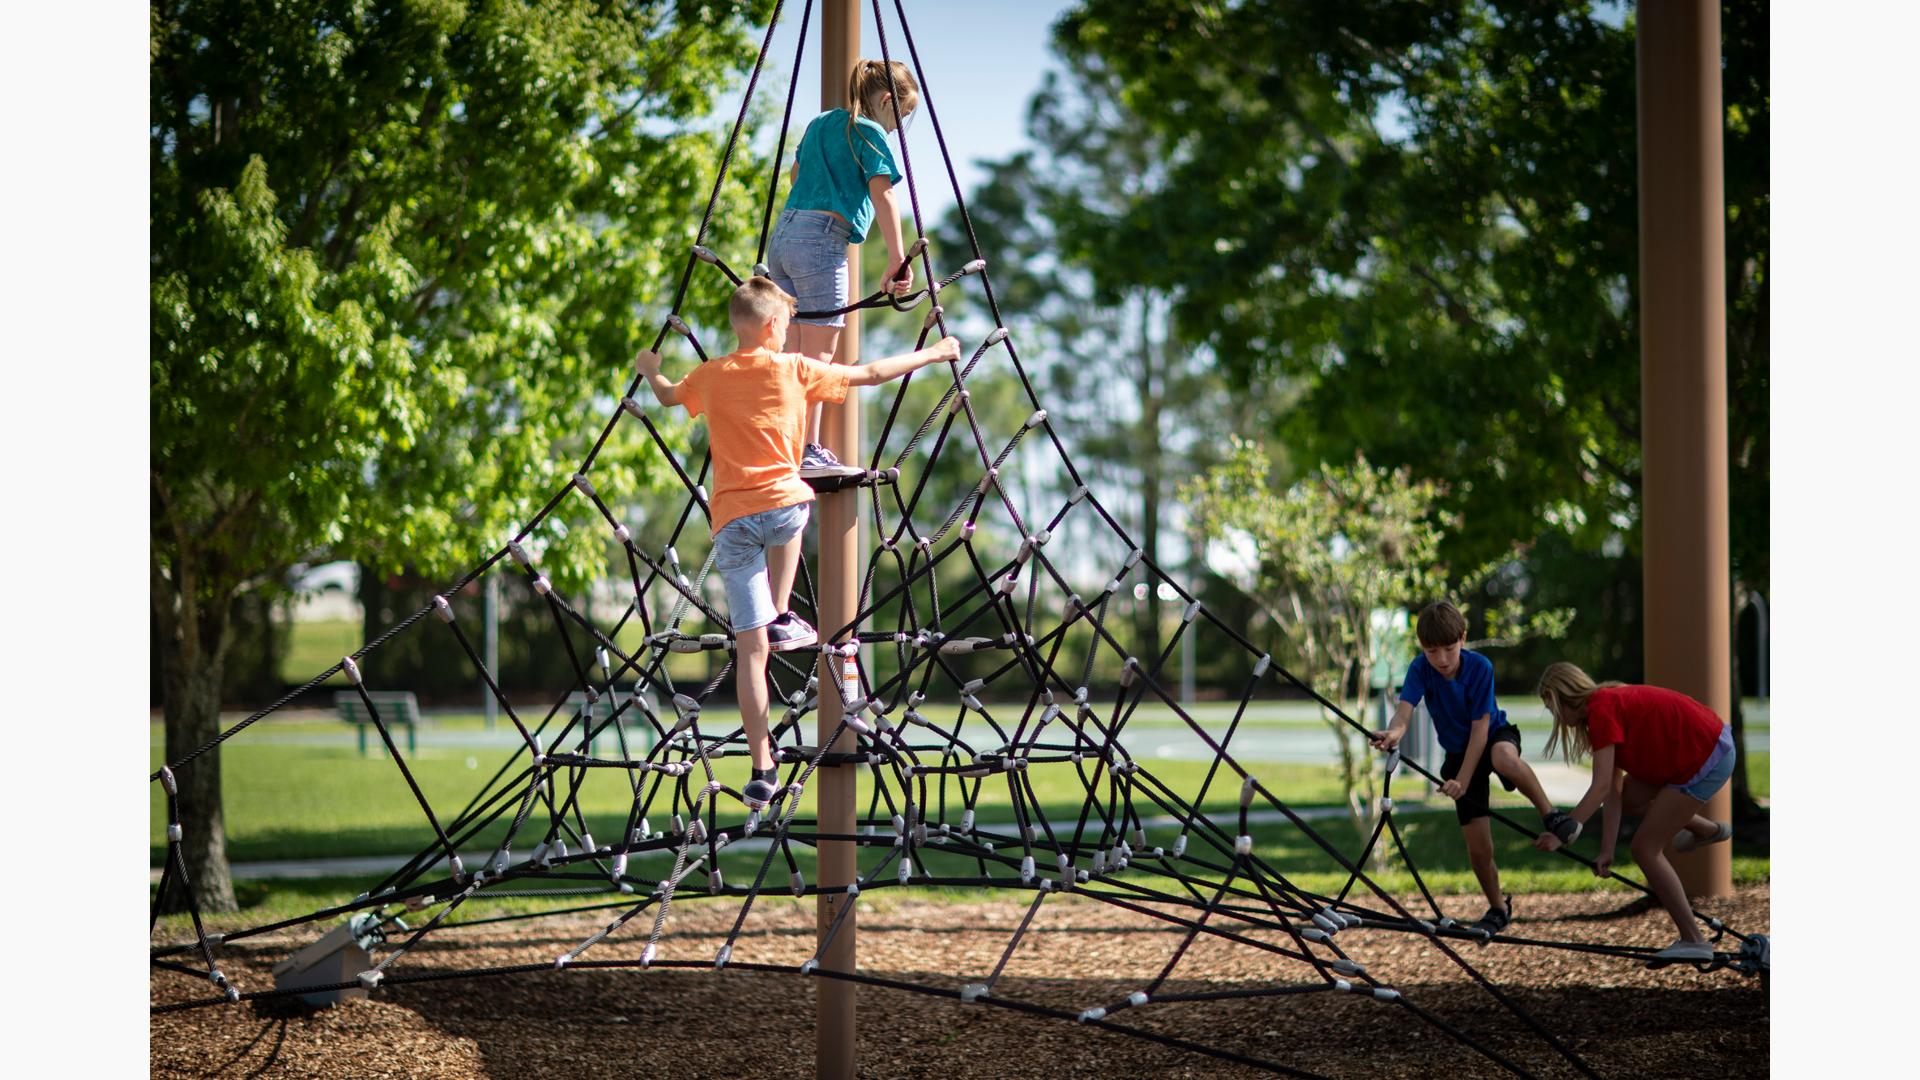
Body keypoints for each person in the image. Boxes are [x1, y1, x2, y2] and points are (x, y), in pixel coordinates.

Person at [632, 277, 959, 809]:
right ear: (769, 326)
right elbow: (870, 374)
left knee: (750, 653)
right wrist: (936, 352)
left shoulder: (711, 375)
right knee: (790, 515)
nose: (788, 332)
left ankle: (762, 765)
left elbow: (668, 396)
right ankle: (783, 610)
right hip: (785, 507)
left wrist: (651, 368)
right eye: (785, 323)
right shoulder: (794, 369)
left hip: (732, 521)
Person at [765, 57, 921, 483]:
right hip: (821, 239)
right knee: (817, 356)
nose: (897, 127)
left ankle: (786, 444)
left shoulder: (820, 124)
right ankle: (808, 452)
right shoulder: (869, 133)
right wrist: (896, 257)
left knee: (791, 350)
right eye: (902, 116)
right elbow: (883, 193)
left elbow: (796, 173)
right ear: (888, 101)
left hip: (784, 236)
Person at [1370, 601, 1561, 936]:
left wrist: (1463, 780)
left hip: (1492, 735)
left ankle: (1552, 815)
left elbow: (1480, 729)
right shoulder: (1419, 669)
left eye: (1448, 648)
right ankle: (1498, 908)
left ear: (1463, 638)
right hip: (1459, 753)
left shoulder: (1480, 666)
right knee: (1478, 847)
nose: (1441, 659)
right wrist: (1394, 733)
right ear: (1422, 649)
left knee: (1504, 759)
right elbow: (1404, 711)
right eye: (1431, 651)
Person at [1530, 661, 1735, 965]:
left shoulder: (1602, 709)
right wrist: (1606, 850)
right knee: (1631, 799)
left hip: (1706, 755)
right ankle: (1705, 829)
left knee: (1645, 850)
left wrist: (1563, 833)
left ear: (1560, 698)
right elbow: (1613, 793)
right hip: (1702, 747)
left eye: (1551, 707)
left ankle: (1694, 940)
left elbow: (1599, 789)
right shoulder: (1603, 707)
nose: (1554, 717)